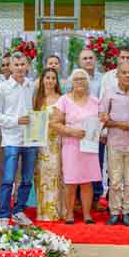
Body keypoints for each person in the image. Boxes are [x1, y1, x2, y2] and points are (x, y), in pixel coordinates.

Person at [99, 62, 129, 227]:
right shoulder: (109, 93)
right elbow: (102, 118)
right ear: (117, 75)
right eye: (124, 73)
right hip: (115, 143)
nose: (128, 76)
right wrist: (118, 125)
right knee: (114, 180)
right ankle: (114, 212)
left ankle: (127, 212)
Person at [51, 69, 102, 224]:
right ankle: (69, 214)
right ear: (71, 82)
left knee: (88, 181)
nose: (80, 81)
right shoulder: (64, 100)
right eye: (76, 79)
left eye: (83, 78)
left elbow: (99, 124)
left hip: (90, 146)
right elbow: (54, 123)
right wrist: (71, 132)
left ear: (88, 82)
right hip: (71, 145)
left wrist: (103, 120)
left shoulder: (95, 101)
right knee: (71, 182)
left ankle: (87, 214)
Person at [0, 51, 37, 227]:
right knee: (8, 178)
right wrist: (15, 121)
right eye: (16, 65)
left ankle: (18, 211)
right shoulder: (2, 88)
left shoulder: (31, 85)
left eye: (22, 65)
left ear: (27, 66)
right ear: (9, 67)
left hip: (30, 139)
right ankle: (4, 214)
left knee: (26, 179)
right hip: (11, 138)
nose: (19, 68)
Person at [33, 67, 65, 221]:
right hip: (40, 143)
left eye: (53, 78)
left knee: (56, 175)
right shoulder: (37, 99)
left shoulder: (62, 99)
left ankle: (57, 211)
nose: (50, 81)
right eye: (48, 78)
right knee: (42, 176)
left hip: (56, 142)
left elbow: (65, 120)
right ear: (42, 80)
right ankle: (43, 212)